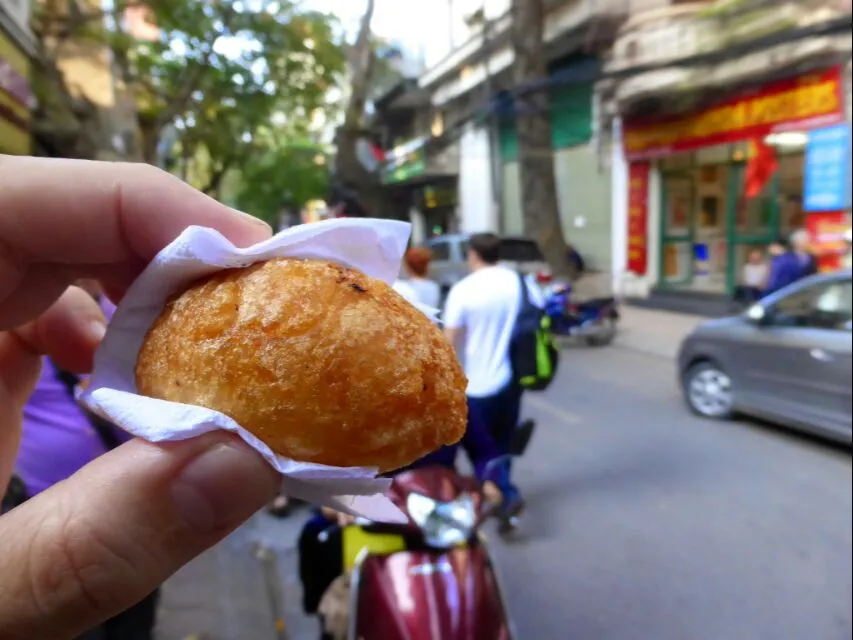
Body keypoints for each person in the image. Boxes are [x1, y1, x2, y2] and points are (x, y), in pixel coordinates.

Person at [0, 156, 281, 640]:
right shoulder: (27, 314)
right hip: (35, 504)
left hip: (124, 486)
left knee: (134, 620)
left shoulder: (132, 304)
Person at [297, 410, 505, 639]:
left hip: (441, 512)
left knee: (479, 555)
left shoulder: (448, 400)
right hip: (376, 511)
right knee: (315, 534)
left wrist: (490, 480)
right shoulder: (354, 403)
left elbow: (485, 450)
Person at [442, 233, 545, 518]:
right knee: (504, 441)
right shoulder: (521, 282)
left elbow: (449, 342)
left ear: (473, 254)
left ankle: (502, 495)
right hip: (514, 379)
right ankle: (501, 491)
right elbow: (539, 315)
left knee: (481, 449)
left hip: (478, 385)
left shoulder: (464, 290)